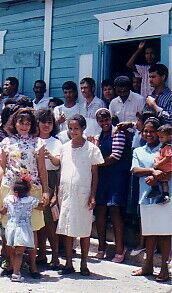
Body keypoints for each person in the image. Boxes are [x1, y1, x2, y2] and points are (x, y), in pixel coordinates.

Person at [0, 108, 49, 278]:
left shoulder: (38, 143)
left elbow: (42, 169)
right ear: (14, 123)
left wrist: (45, 191)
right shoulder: (7, 142)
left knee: (33, 227)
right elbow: (1, 167)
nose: (24, 126)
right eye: (21, 122)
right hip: (10, 188)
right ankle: (9, 262)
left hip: (32, 188)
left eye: (28, 123)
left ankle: (33, 265)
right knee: (9, 227)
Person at [56, 114, 104, 276]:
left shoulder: (92, 149)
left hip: (83, 194)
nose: (73, 131)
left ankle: (84, 263)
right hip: (66, 193)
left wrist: (92, 195)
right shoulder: (64, 148)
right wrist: (57, 194)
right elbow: (60, 171)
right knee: (67, 228)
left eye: (76, 128)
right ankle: (68, 263)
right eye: (70, 128)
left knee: (84, 230)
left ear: (83, 128)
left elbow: (95, 175)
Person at [131, 118, 171, 282]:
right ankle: (147, 266)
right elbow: (135, 169)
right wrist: (152, 171)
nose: (148, 134)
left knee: (165, 233)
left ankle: (164, 268)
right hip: (146, 196)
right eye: (145, 131)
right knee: (150, 233)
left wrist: (158, 177)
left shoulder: (166, 149)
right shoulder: (138, 151)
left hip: (165, 197)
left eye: (152, 131)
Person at [94, 108, 131, 263]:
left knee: (115, 209)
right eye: (101, 121)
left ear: (111, 119)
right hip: (102, 177)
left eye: (106, 120)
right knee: (101, 209)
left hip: (117, 176)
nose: (104, 123)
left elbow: (115, 156)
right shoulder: (99, 137)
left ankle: (119, 249)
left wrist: (96, 163)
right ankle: (101, 248)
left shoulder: (118, 133)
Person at [1, 175, 45, 282]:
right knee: (19, 252)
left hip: (10, 228)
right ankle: (16, 273)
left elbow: (3, 211)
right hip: (23, 228)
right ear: (28, 190)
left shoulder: (8, 199)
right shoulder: (30, 200)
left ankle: (12, 267)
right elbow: (41, 207)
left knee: (12, 249)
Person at [35, 109, 62, 269]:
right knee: (37, 220)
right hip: (34, 178)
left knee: (50, 221)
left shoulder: (56, 142)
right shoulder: (33, 140)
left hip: (50, 180)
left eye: (49, 122)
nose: (46, 125)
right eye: (43, 121)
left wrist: (49, 155)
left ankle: (56, 256)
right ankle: (41, 253)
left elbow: (57, 163)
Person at [149, 124, 171, 204]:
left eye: (162, 137)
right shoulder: (163, 146)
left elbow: (168, 157)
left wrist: (158, 164)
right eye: (159, 137)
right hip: (164, 168)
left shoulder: (168, 147)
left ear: (169, 137)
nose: (160, 139)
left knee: (155, 177)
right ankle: (164, 194)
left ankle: (158, 191)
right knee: (163, 181)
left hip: (166, 169)